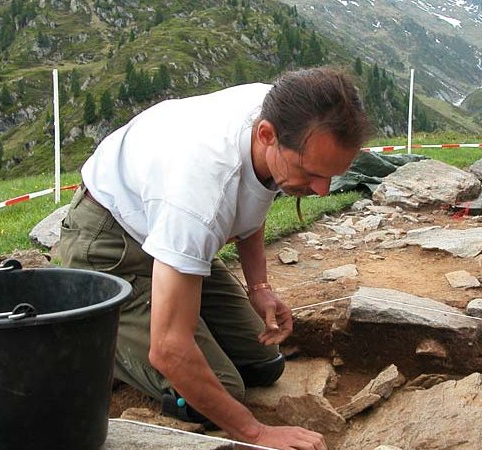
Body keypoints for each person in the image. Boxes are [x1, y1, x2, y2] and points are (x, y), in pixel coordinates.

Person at [60, 67, 369, 449]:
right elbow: (170, 347)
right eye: (310, 173)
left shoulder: (290, 111)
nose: (322, 191)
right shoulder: (200, 193)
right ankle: (99, 332)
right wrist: (256, 432)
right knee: (218, 391)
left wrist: (259, 287)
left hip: (165, 231)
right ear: (266, 136)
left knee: (263, 362)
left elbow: (254, 194)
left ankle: (162, 313)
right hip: (109, 246)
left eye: (330, 176)